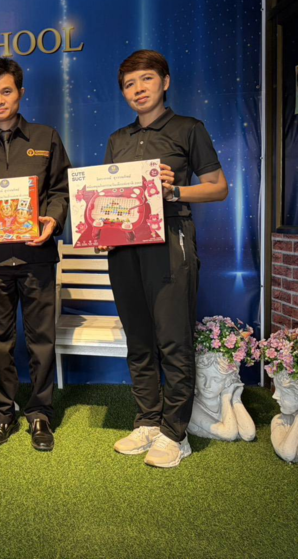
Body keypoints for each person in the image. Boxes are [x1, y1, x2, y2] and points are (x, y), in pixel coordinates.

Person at [104, 50, 228, 468]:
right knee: (138, 340)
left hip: (171, 241)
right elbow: (108, 197)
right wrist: (101, 228)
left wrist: (175, 191)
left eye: (146, 79)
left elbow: (218, 187)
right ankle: (147, 422)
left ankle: (176, 433)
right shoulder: (118, 139)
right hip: (124, 249)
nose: (138, 89)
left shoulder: (189, 129)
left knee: (174, 340)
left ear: (165, 81)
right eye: (129, 84)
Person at [0, 57, 71, 451]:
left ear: (20, 93)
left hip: (37, 256)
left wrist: (53, 220)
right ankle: (3, 413)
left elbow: (61, 191)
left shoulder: (46, 137)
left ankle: (40, 414)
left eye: (6, 91)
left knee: (41, 340)